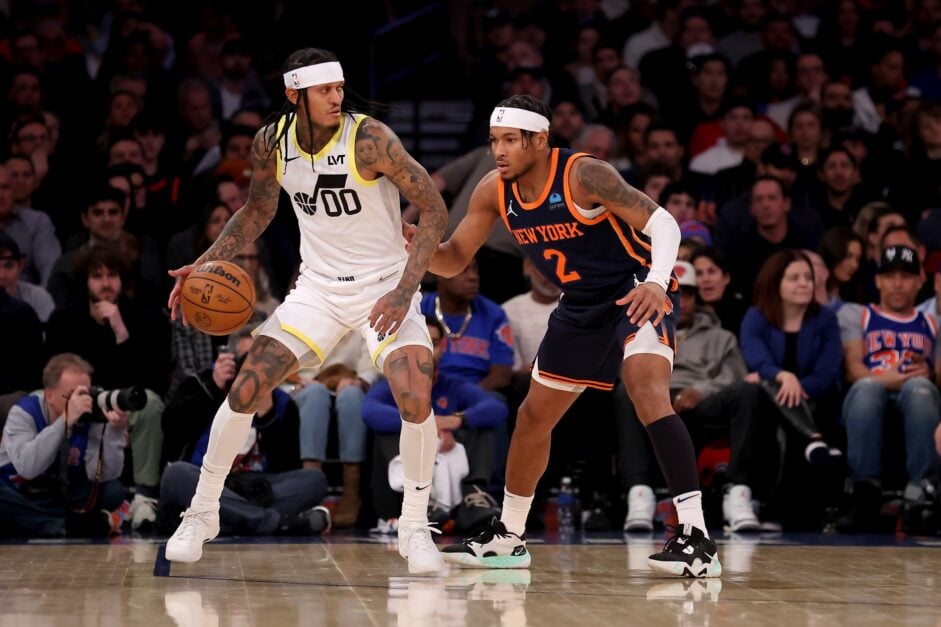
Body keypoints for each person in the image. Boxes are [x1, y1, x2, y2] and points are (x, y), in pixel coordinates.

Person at [163, 48, 449, 575]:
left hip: (386, 285)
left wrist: (406, 290)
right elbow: (257, 210)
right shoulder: (271, 143)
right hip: (318, 287)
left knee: (414, 392)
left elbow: (433, 206)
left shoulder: (369, 138)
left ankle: (413, 524)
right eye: (324, 91)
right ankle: (202, 512)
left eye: (339, 88)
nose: (337, 97)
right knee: (246, 386)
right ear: (294, 94)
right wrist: (202, 264)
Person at [425, 95, 720, 577]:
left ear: (540, 140)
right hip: (581, 303)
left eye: (510, 141)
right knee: (532, 417)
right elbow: (454, 258)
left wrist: (655, 280)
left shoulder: (584, 174)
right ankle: (509, 537)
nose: (498, 151)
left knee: (646, 387)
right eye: (494, 140)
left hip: (635, 286)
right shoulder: (493, 189)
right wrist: (416, 249)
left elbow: (664, 223)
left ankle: (696, 536)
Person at [363, 317, 507, 534]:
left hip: (450, 465)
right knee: (390, 426)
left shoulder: (452, 384)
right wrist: (429, 425)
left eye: (434, 342)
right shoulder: (391, 384)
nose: (427, 349)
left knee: (479, 420)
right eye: (420, 341)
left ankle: (473, 496)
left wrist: (457, 420)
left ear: (443, 347)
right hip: (403, 487)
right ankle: (419, 503)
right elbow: (369, 411)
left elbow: (496, 408)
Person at [837, 245, 941, 532]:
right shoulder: (857, 314)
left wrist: (931, 374)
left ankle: (924, 493)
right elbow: (853, 369)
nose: (897, 283)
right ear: (878, 281)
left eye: (906, 276)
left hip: (917, 393)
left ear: (919, 282)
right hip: (870, 390)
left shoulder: (933, 323)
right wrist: (889, 379)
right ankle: (864, 492)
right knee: (868, 387)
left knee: (920, 389)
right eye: (890, 276)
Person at [0, 354, 126, 538]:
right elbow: (27, 468)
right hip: (19, 490)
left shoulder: (89, 414)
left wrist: (115, 431)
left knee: (112, 491)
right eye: (72, 395)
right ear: (49, 395)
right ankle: (60, 526)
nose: (80, 401)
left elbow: (103, 475)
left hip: (58, 493)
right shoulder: (23, 412)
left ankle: (34, 523)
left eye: (85, 393)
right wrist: (65, 420)